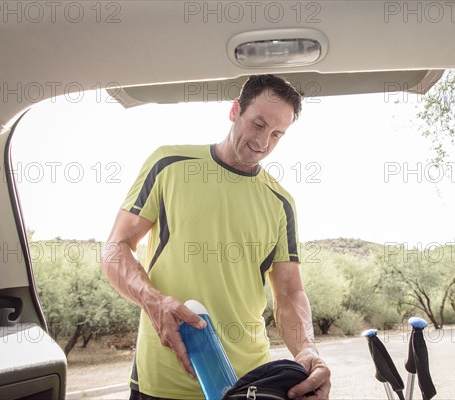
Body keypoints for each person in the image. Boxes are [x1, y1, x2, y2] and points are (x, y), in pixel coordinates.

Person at [100, 74, 331, 399]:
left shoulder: (281, 202)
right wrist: (153, 301)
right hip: (164, 382)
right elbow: (115, 249)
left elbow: (290, 292)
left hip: (248, 383)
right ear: (235, 110)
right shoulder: (169, 164)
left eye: (277, 134)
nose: (263, 142)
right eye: (259, 124)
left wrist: (307, 348)